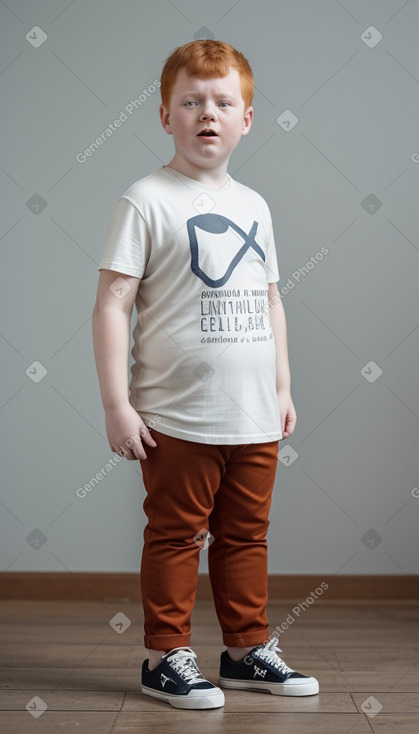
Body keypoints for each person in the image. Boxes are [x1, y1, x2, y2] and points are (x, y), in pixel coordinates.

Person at [92, 39, 319, 710]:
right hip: (176, 414)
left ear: (247, 119)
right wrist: (116, 404)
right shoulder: (145, 199)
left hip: (253, 414)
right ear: (165, 116)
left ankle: (246, 652)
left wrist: (281, 387)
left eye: (223, 102)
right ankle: (165, 657)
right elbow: (111, 303)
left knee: (246, 535)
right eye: (190, 102)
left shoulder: (254, 205)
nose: (207, 114)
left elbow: (272, 299)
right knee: (175, 534)